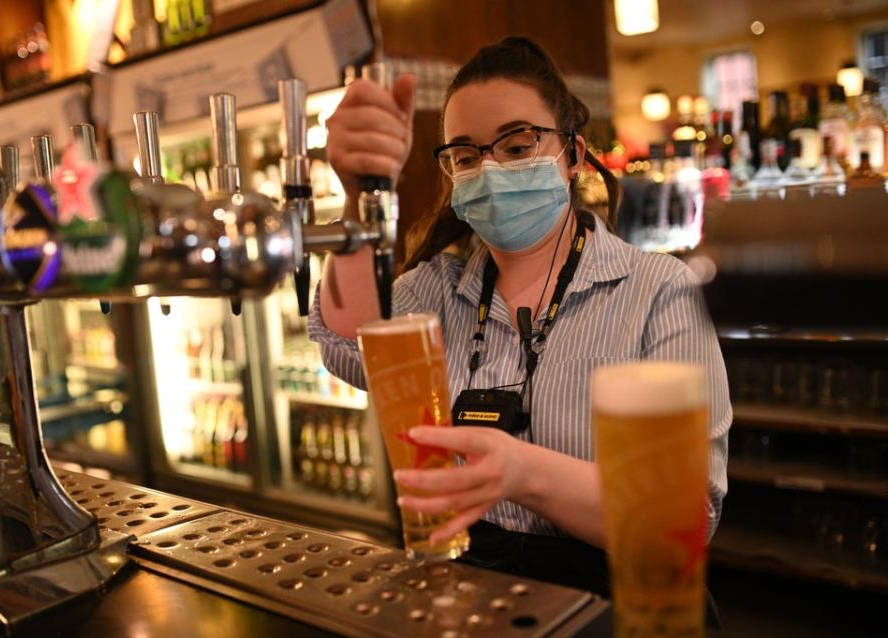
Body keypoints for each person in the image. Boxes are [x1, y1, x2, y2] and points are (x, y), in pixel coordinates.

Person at [307, 36, 731, 603]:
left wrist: (521, 473)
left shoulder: (658, 293)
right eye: (465, 156)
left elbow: (686, 516)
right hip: (474, 596)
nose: (489, 169)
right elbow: (345, 342)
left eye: (517, 145)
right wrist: (359, 195)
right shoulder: (433, 291)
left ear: (573, 155)